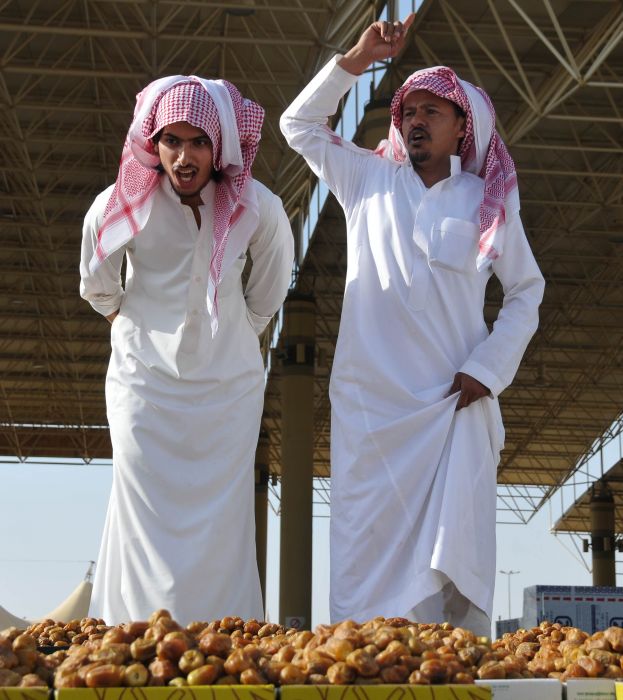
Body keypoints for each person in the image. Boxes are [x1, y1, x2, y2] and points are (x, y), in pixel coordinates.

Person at [280, 15, 544, 636]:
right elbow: (297, 127)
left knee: (454, 567)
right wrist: (356, 59)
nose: (416, 121)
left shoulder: (486, 200)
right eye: (409, 112)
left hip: (453, 409)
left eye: (433, 111)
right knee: (363, 555)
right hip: (372, 415)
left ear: (462, 129)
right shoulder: (367, 178)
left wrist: (488, 370)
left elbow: (527, 292)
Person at [80, 75, 294, 625]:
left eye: (198, 142)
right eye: (172, 141)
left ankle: (223, 641)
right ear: (154, 145)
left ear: (219, 146)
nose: (184, 156)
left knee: (223, 519)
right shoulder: (121, 203)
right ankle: (128, 636)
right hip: (143, 385)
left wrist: (229, 336)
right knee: (139, 511)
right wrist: (138, 329)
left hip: (228, 391)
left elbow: (268, 291)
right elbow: (97, 282)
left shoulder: (258, 208)